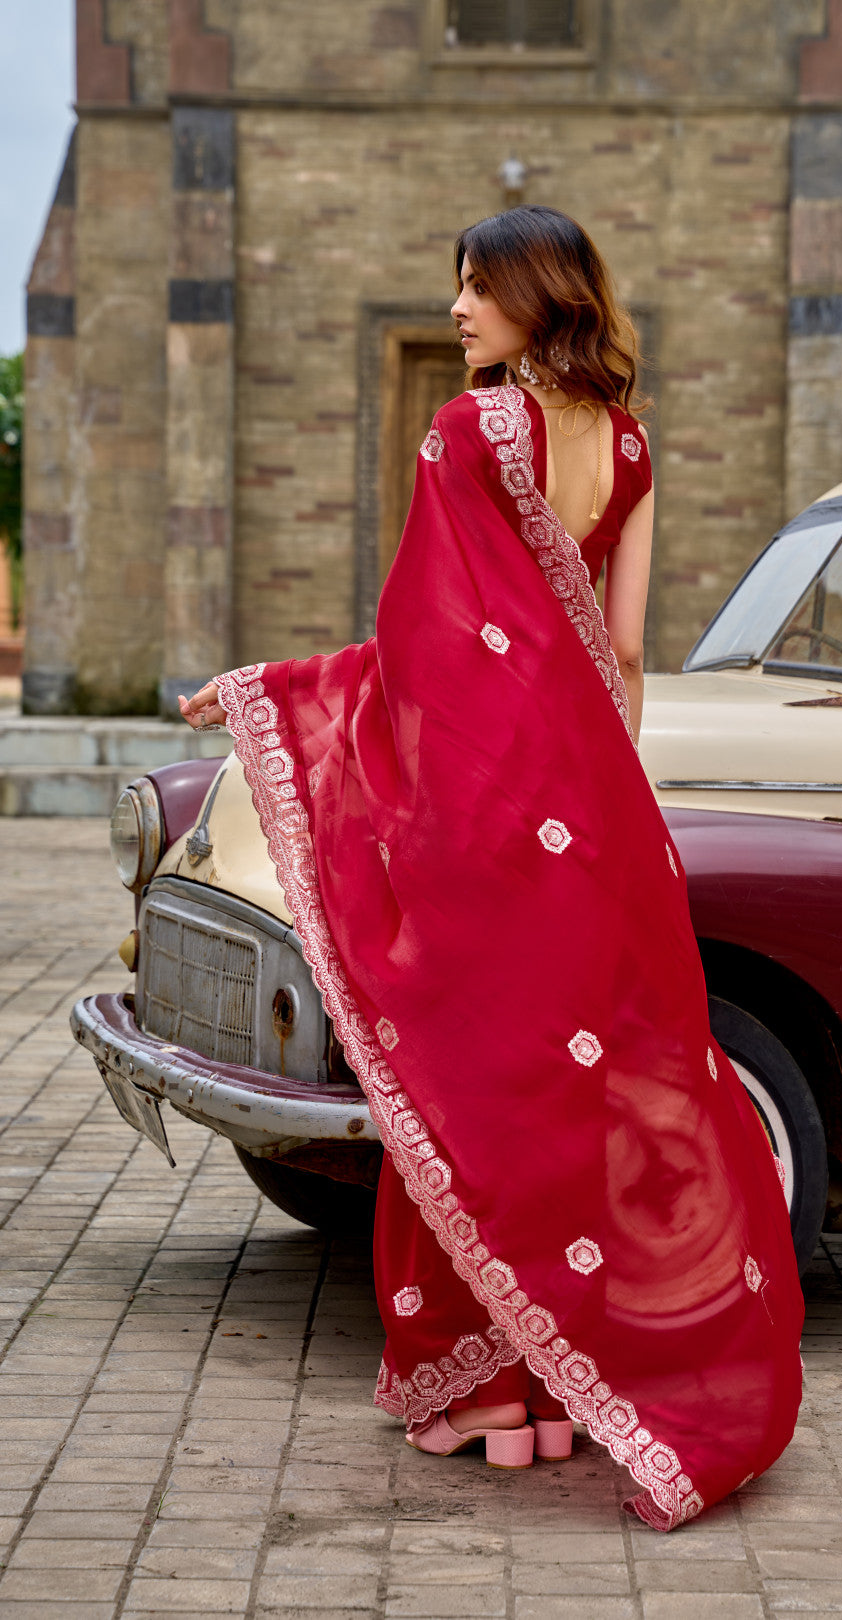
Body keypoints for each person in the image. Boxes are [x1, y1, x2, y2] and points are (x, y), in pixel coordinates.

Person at [179, 204, 804, 1529]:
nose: (458, 306)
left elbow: (421, 646)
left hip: (484, 812)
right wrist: (605, 804)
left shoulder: (469, 431)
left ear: (536, 294)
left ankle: (484, 1398)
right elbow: (625, 652)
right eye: (454, 286)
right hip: (598, 817)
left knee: (466, 1085)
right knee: (584, 1089)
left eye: (476, 285)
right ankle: (573, 1388)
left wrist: (274, 692)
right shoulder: (632, 448)